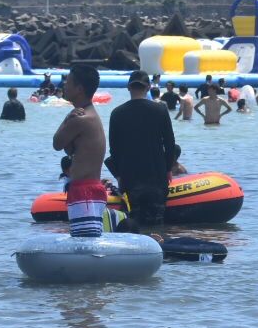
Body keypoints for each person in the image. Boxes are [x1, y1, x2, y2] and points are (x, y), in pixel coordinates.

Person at [106, 70, 181, 227]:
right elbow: (169, 143)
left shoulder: (117, 113)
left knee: (133, 223)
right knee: (156, 224)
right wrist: (168, 168)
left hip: (130, 178)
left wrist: (119, 175)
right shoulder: (160, 110)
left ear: (128, 87)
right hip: (156, 176)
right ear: (148, 87)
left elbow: (114, 150)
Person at [52, 64, 108, 238]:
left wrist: (67, 117)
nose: (64, 85)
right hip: (89, 189)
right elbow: (68, 147)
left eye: (68, 82)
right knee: (87, 243)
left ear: (79, 89)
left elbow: (57, 142)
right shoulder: (89, 115)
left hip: (85, 192)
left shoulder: (80, 119)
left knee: (85, 245)